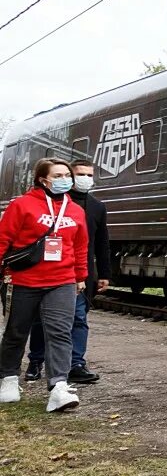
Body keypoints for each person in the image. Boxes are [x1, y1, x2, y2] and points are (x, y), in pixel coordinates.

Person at [0, 158, 89, 412]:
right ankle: (8, 378)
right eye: (58, 175)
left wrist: (80, 276)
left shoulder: (75, 211)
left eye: (67, 175)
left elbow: (80, 246)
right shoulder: (22, 205)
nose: (65, 180)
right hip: (23, 280)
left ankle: (59, 386)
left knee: (60, 332)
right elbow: (3, 238)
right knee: (17, 331)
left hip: (61, 281)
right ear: (43, 179)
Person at [25, 159, 111, 384]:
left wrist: (104, 273)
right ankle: (36, 360)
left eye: (90, 175)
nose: (85, 179)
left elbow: (101, 243)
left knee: (78, 319)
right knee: (42, 321)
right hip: (49, 271)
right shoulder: (53, 202)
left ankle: (76, 364)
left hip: (79, 274)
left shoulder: (96, 207)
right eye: (80, 174)